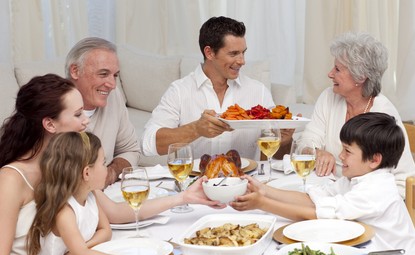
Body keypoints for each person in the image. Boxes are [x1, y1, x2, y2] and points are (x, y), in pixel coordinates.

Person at [231, 112, 415, 255]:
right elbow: (314, 200)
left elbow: (316, 214)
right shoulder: (357, 178)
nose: (340, 156)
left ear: (374, 159)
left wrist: (262, 203)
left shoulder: (376, 189)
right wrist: (264, 190)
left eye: (347, 151)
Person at [141, 16, 292, 160]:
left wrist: (285, 140)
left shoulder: (258, 92)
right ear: (209, 52)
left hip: (246, 183)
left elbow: (276, 157)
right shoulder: (180, 91)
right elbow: (148, 144)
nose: (242, 61)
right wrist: (196, 129)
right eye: (233, 54)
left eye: (243, 52)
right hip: (196, 182)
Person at [300, 32, 415, 198]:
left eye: (338, 69)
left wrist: (355, 202)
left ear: (360, 77)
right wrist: (316, 151)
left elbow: (404, 181)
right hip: (328, 191)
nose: (330, 74)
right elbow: (307, 139)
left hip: (364, 203)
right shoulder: (329, 97)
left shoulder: (385, 115)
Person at [0, 74, 90, 255]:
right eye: (78, 114)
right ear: (49, 124)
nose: (86, 120)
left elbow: (112, 212)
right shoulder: (11, 179)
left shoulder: (65, 162)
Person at [26, 132, 132, 255]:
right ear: (87, 173)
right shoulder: (65, 212)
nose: (106, 169)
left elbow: (105, 230)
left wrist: (79, 249)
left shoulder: (90, 196)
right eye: (103, 163)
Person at [65, 37, 140, 186]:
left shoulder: (114, 96)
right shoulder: (52, 107)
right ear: (75, 71)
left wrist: (110, 173)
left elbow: (131, 150)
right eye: (103, 74)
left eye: (115, 75)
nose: (112, 85)